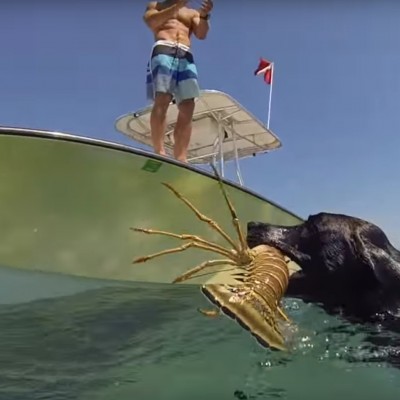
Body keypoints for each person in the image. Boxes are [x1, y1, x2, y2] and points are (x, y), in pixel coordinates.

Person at [143, 0, 213, 163]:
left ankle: (181, 157)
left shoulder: (192, 13)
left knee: (188, 106)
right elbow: (151, 22)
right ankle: (159, 151)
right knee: (163, 98)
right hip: (164, 48)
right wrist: (177, 6)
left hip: (186, 54)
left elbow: (201, 34)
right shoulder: (157, 6)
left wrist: (204, 15)